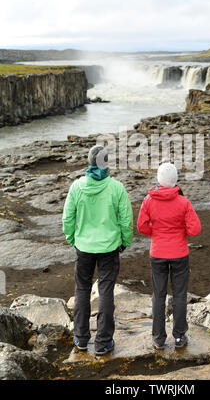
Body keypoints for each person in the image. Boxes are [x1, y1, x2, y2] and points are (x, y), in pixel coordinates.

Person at [62, 145, 133, 355]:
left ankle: (81, 338)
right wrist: (124, 242)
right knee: (106, 291)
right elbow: (127, 220)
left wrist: (72, 238)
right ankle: (103, 342)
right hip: (110, 247)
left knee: (82, 289)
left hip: (84, 247)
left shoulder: (76, 187)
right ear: (106, 162)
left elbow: (67, 218)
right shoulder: (116, 187)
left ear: (89, 162)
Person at [137, 162, 201, 349]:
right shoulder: (183, 202)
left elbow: (142, 226)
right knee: (180, 295)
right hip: (179, 253)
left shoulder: (148, 200)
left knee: (159, 295)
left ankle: (158, 338)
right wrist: (181, 231)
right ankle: (179, 336)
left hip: (157, 253)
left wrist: (156, 233)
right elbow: (195, 229)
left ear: (158, 179)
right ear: (175, 180)